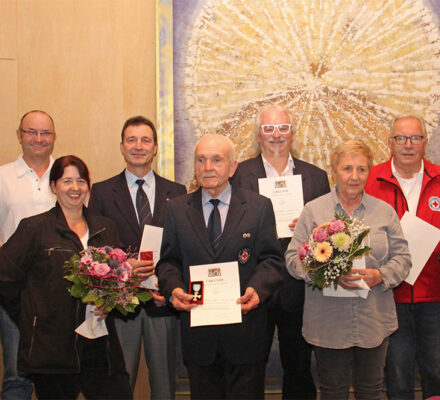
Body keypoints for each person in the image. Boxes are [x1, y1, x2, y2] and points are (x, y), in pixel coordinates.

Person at [0, 156, 133, 400]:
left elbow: (118, 277)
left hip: (100, 345)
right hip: (53, 349)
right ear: (53, 185)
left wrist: (110, 303)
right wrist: (32, 316)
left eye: (80, 181)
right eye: (67, 181)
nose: (75, 188)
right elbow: (4, 279)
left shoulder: (105, 227)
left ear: (88, 186)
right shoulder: (34, 228)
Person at [156, 133, 284, 399]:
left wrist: (258, 290)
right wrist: (174, 290)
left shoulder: (259, 207)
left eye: (216, 160)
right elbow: (169, 261)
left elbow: (271, 260)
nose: (208, 167)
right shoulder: (178, 209)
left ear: (233, 166)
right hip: (199, 335)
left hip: (246, 332)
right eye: (201, 160)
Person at [286, 139, 411, 400]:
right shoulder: (313, 210)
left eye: (361, 169)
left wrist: (381, 275)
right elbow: (292, 259)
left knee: (371, 391)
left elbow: (403, 258)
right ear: (334, 170)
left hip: (373, 319)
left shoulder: (384, 212)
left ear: (369, 172)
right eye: (347, 169)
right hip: (327, 321)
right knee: (332, 392)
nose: (354, 176)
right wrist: (322, 272)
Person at [231, 104, 330, 399]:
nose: (276, 135)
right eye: (268, 129)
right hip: (252, 284)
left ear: (293, 133)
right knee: (250, 367)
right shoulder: (239, 175)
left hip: (298, 288)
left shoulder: (316, 177)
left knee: (299, 368)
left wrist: (310, 227)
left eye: (283, 128)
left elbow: (328, 231)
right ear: (258, 135)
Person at [89, 116, 186, 398]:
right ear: (121, 146)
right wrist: (121, 266)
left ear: (155, 147)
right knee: (120, 382)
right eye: (132, 140)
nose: (138, 146)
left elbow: (182, 248)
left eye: (145, 140)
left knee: (165, 384)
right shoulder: (102, 192)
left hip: (161, 300)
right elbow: (94, 249)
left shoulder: (177, 193)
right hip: (121, 303)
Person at [364, 115, 440, 399]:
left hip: (436, 295)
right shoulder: (371, 179)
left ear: (425, 142)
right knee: (397, 373)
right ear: (390, 143)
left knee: (437, 371)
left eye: (415, 138)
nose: (408, 145)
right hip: (388, 296)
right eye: (401, 138)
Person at [0, 110, 57, 399]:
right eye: (31, 132)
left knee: (57, 373)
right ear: (19, 135)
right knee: (17, 375)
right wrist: (13, 269)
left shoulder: (66, 174)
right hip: (16, 291)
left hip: (58, 291)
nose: (38, 139)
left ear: (54, 137)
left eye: (45, 133)